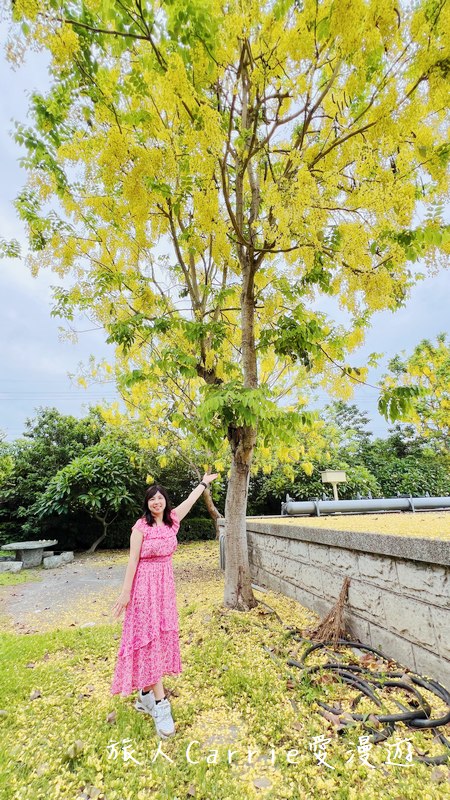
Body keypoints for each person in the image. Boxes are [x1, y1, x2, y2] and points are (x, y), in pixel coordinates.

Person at [110, 473, 218, 738]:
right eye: (151, 499)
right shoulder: (140, 528)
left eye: (160, 498)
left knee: (157, 638)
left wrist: (203, 484)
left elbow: (191, 501)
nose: (156, 502)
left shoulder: (173, 521)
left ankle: (145, 696)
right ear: (147, 504)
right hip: (143, 589)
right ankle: (160, 704)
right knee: (149, 641)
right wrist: (125, 594)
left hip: (165, 589)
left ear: (165, 502)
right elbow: (132, 561)